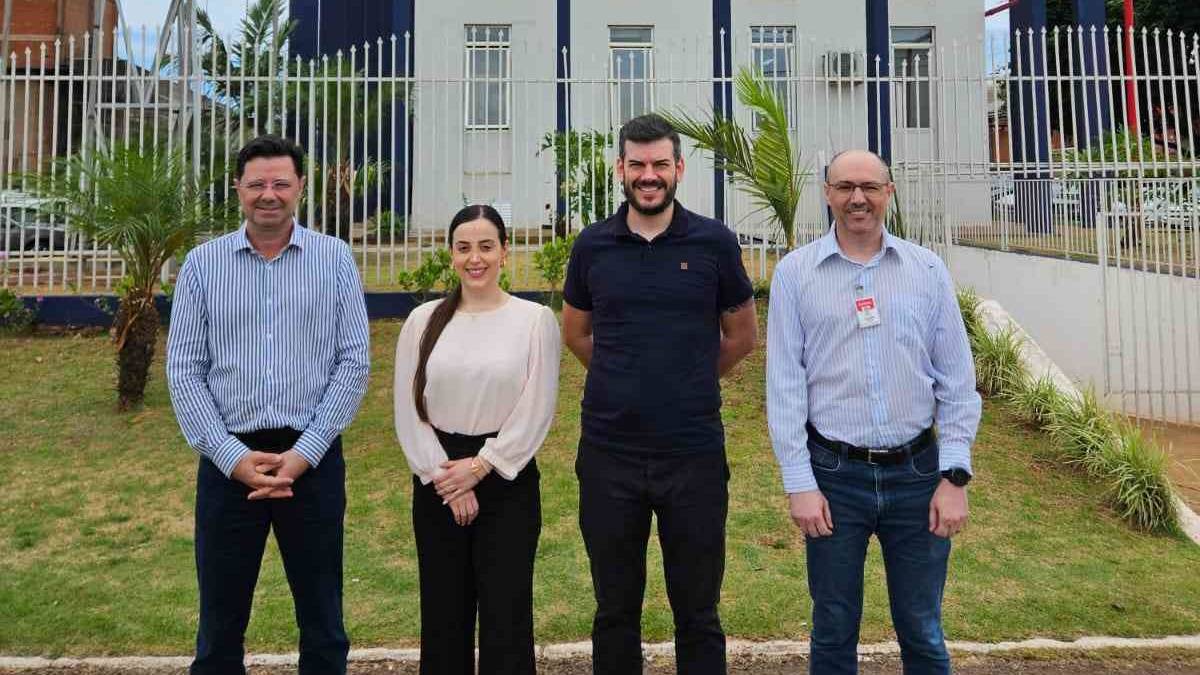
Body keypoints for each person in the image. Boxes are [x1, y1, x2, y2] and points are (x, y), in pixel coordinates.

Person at [766, 149, 981, 675]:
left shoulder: (926, 270)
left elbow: (957, 380)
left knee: (923, 629)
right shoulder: (796, 275)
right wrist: (800, 483)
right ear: (827, 193)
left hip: (918, 476)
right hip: (834, 478)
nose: (856, 198)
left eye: (868, 186)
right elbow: (785, 386)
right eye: (844, 187)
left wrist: (954, 476)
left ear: (889, 191)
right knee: (833, 628)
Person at [561, 113, 758, 675]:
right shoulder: (593, 245)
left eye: (660, 165)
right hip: (608, 457)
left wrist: (687, 377)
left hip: (692, 455)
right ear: (620, 169)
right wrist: (623, 378)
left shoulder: (713, 242)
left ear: (679, 169)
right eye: (637, 165)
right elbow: (575, 333)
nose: (649, 175)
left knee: (698, 612)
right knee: (614, 611)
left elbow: (741, 337)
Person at [166, 134, 371, 675]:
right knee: (219, 628)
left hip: (313, 461)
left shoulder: (335, 261)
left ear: (301, 187)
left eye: (281, 182)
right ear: (238, 188)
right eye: (257, 183)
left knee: (324, 624)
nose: (269, 194)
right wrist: (232, 459)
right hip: (228, 465)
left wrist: (304, 454)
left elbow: (353, 365)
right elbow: (184, 371)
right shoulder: (202, 267)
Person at [393, 204, 560, 675]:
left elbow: (536, 409)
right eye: (464, 248)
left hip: (507, 480)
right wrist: (444, 478)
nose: (475, 258)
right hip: (437, 481)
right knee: (444, 615)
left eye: (486, 246)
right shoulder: (423, 321)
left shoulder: (533, 320)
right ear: (451, 255)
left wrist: (480, 468)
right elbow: (408, 409)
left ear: (505, 252)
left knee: (507, 616)